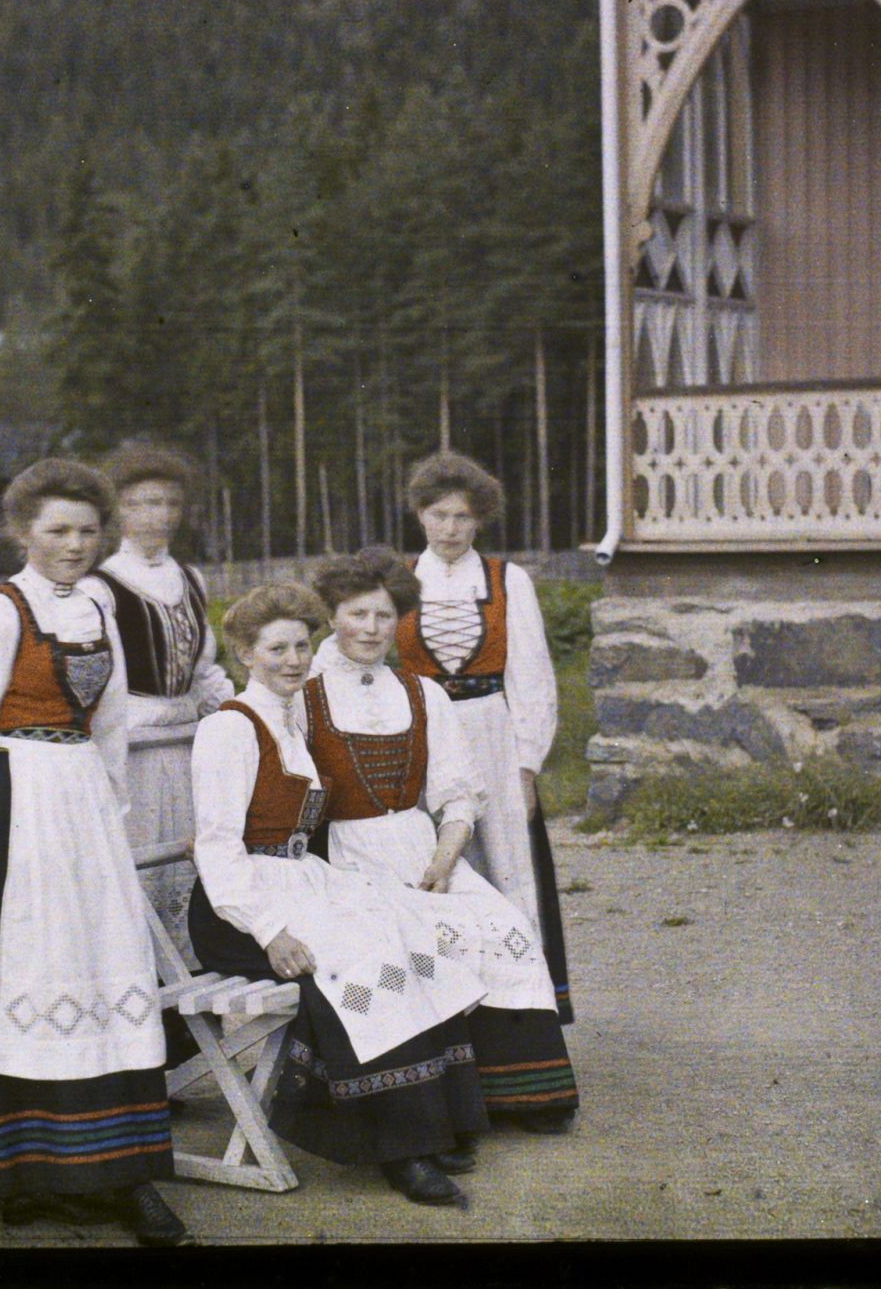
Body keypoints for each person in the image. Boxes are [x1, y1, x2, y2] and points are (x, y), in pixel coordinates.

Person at [0, 458, 187, 1247]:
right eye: (57, 529)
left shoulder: (100, 603)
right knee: (23, 972)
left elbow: (112, 723)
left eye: (87, 530)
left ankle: (118, 1169)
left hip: (83, 805)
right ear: (23, 531)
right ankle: (21, 1172)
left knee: (104, 964)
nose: (74, 544)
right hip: (14, 803)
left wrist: (109, 817)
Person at [188, 582, 493, 1206]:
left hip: (296, 881)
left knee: (407, 931)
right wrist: (270, 931)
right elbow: (216, 848)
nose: (293, 660)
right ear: (245, 654)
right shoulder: (229, 728)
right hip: (240, 912)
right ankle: (401, 1150)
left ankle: (435, 1124)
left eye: (302, 646)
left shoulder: (289, 721)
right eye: (276, 649)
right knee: (363, 960)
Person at [303, 546, 579, 1136]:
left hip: (422, 848)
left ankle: (520, 1094)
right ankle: (433, 1108)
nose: (371, 629)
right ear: (331, 617)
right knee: (409, 942)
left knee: (501, 924)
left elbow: (458, 795)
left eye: (384, 616)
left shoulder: (423, 694)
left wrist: (445, 859)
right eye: (357, 614)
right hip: (347, 857)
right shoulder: (305, 694)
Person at [396, 451, 574, 1023]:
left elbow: (533, 678)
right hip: (424, 736)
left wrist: (526, 767)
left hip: (490, 732)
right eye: (439, 515)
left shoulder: (507, 580)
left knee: (505, 863)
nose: (450, 528)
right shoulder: (399, 581)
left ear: (480, 520)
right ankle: (447, 1011)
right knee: (433, 864)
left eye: (463, 517)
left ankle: (520, 1013)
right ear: (420, 515)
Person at [92, 441, 234, 962]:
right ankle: (134, 976)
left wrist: (234, 711)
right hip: (132, 751)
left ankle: (189, 979)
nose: (161, 515)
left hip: (186, 748)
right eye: (145, 503)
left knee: (189, 863)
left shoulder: (190, 579)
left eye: (170, 503)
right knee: (137, 867)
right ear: (119, 511)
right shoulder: (101, 586)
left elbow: (204, 670)